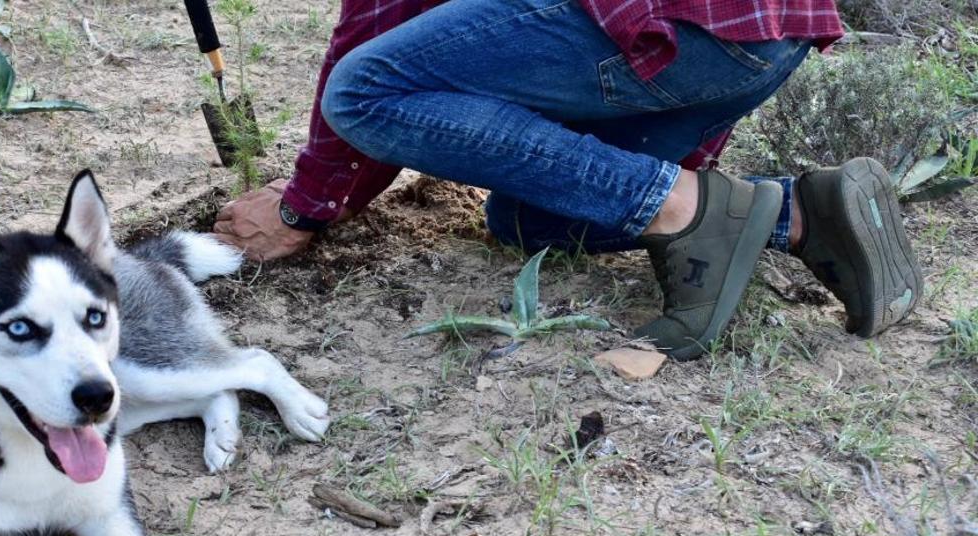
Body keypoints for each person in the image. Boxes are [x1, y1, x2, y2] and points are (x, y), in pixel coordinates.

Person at [212, 0, 923, 361]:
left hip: (682, 21)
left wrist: (309, 207)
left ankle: (688, 208)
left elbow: (378, 37)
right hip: (761, 35)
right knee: (530, 221)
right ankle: (801, 213)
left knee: (365, 90)